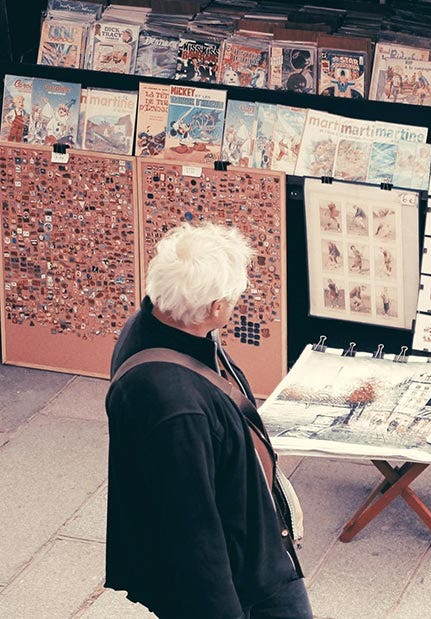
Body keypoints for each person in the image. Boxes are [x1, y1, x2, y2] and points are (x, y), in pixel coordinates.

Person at [105, 223, 310, 618]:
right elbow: (193, 534)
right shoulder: (177, 407)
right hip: (242, 572)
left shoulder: (157, 323)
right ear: (216, 308)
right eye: (233, 298)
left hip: (252, 540)